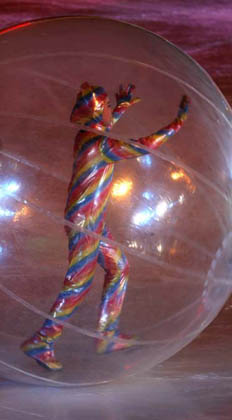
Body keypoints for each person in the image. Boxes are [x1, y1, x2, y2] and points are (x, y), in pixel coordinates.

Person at [21, 82, 189, 371]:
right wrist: (176, 124)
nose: (111, 109)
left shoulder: (85, 136)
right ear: (98, 112)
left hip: (93, 221)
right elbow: (143, 146)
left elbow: (103, 128)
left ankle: (107, 334)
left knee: (119, 267)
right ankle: (43, 340)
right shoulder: (99, 146)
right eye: (108, 106)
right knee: (78, 284)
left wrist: (121, 108)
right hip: (85, 224)